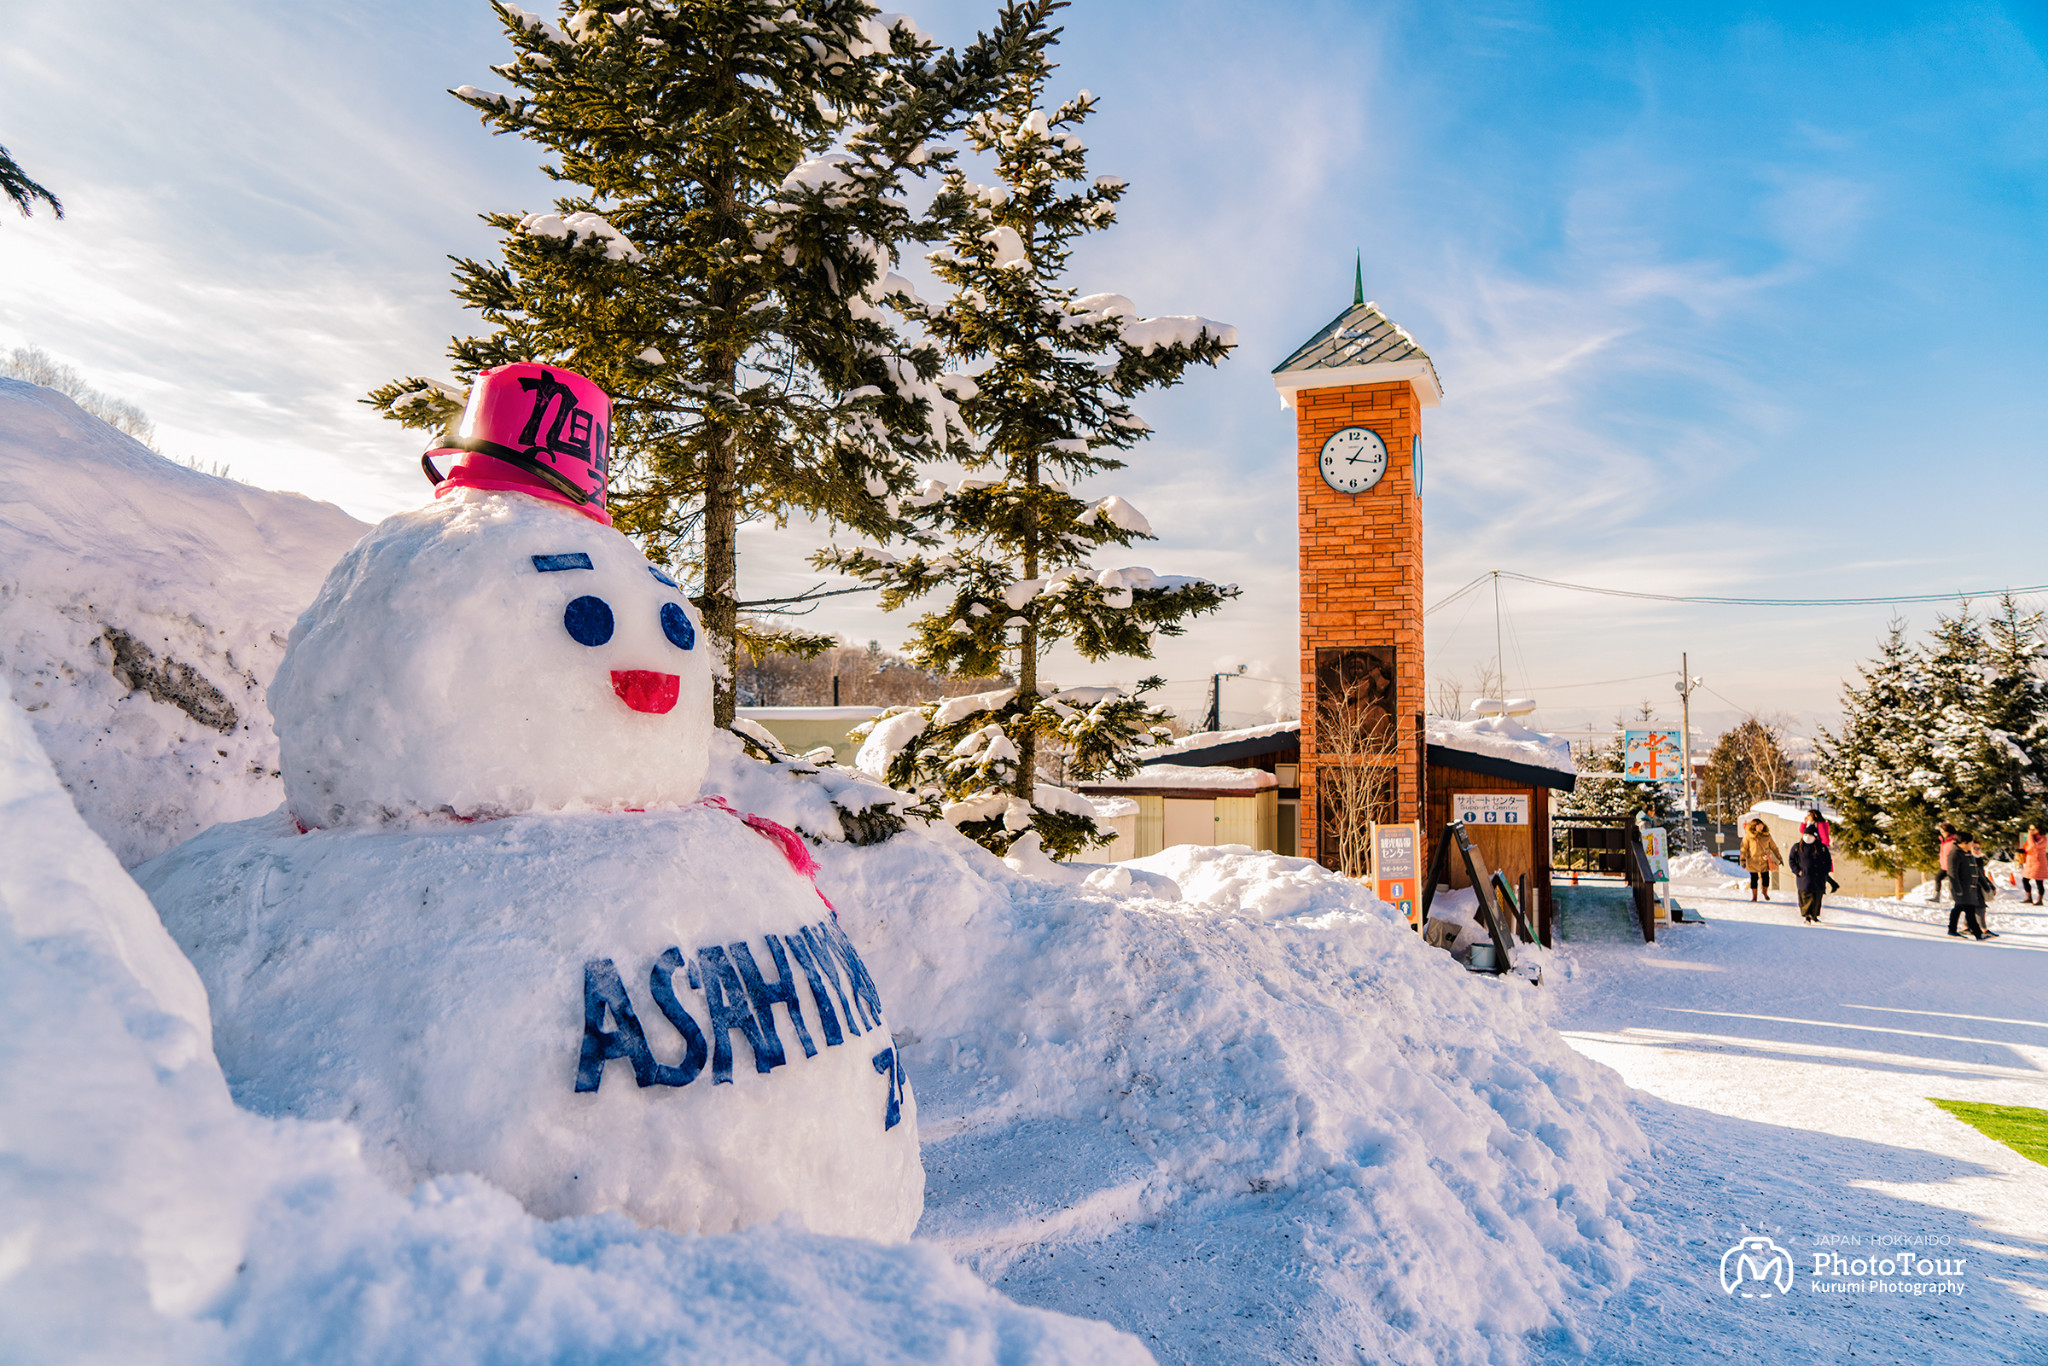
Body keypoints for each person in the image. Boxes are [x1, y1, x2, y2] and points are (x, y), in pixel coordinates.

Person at [1947, 833, 1997, 940]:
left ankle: (1952, 930)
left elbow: (1977, 871)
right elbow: (1952, 874)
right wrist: (1957, 889)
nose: (1972, 845)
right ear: (1964, 843)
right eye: (1971, 843)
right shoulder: (1954, 854)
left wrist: (1985, 885)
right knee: (1969, 910)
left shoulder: (1967, 853)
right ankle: (1978, 934)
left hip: (1969, 888)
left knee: (1958, 908)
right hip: (1962, 888)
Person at [1788, 827, 1831, 923]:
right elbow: (1791, 860)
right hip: (1804, 877)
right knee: (1805, 896)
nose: (1807, 837)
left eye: (1810, 835)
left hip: (1818, 877)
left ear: (1815, 837)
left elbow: (1828, 861)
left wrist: (1825, 872)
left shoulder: (1822, 848)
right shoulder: (1797, 847)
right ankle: (1807, 915)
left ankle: (1814, 915)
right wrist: (1797, 871)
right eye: (1806, 835)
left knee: (1816, 897)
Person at [1740, 818, 1782, 902]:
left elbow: (1774, 847)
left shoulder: (1767, 836)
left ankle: (1765, 892)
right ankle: (1754, 896)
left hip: (1764, 861)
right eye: (1759, 826)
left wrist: (1779, 857)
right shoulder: (1748, 837)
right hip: (1753, 861)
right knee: (1754, 879)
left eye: (1762, 825)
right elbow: (1743, 848)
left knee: (1766, 878)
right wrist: (1742, 859)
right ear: (1754, 827)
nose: (1761, 827)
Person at [1803, 807, 1841, 894]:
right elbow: (1803, 832)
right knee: (1818, 870)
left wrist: (1821, 849)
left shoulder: (1820, 824)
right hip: (1814, 850)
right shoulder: (1812, 824)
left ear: (1814, 815)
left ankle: (1824, 889)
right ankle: (1831, 885)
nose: (1807, 817)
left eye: (1809, 815)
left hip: (1819, 850)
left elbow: (1825, 839)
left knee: (1820, 870)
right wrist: (1804, 823)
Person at [2019, 822, 2047, 906]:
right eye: (2030, 829)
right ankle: (2029, 897)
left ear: (2038, 829)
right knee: (2025, 880)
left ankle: (2039, 900)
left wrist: (2029, 835)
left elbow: (2034, 846)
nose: (2030, 831)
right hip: (2029, 862)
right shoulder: (2031, 838)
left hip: (2039, 862)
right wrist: (2022, 851)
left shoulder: (2043, 839)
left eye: (2032, 829)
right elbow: (2028, 847)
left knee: (2039, 881)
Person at [1932, 822, 1957, 902]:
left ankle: (1953, 896)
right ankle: (1936, 897)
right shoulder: (1944, 841)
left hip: (1951, 865)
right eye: (1941, 832)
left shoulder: (1953, 841)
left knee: (1952, 881)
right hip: (1944, 866)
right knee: (1937, 878)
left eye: (1943, 832)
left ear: (1948, 831)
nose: (1942, 834)